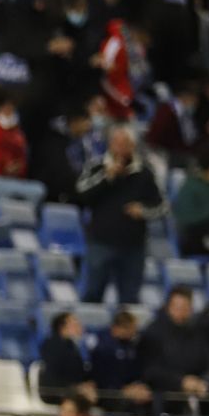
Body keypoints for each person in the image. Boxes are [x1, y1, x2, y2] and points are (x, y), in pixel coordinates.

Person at [77, 125, 165, 305]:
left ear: (132, 146)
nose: (119, 148)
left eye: (124, 144)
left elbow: (162, 206)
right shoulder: (97, 166)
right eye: (116, 143)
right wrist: (107, 177)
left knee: (130, 298)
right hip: (101, 242)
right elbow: (81, 194)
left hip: (133, 247)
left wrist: (143, 211)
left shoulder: (144, 173)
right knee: (92, 292)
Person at [141, 286, 209, 412]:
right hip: (159, 399)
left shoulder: (197, 332)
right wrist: (181, 381)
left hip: (192, 397)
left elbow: (208, 365)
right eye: (178, 308)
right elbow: (149, 371)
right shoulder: (153, 332)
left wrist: (203, 382)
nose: (182, 313)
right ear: (168, 307)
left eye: (186, 308)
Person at [86, 308, 154, 413]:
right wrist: (123, 390)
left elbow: (135, 370)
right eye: (131, 329)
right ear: (118, 328)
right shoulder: (103, 348)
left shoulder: (131, 346)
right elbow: (101, 377)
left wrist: (137, 385)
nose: (134, 332)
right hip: (107, 394)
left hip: (129, 390)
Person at [38, 311, 94, 405]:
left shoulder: (71, 346)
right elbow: (53, 377)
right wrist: (77, 388)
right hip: (56, 392)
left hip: (71, 390)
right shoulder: (52, 346)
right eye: (75, 324)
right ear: (62, 327)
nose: (80, 327)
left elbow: (78, 372)